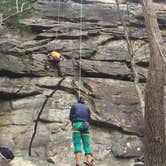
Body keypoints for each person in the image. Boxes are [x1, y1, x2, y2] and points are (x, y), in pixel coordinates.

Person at [69, 97, 94, 166]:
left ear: (78, 101)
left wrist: (73, 122)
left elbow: (70, 117)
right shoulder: (87, 108)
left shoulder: (74, 106)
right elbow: (89, 118)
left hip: (77, 125)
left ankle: (78, 163)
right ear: (83, 102)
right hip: (86, 126)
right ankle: (89, 160)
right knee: (86, 144)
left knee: (77, 144)